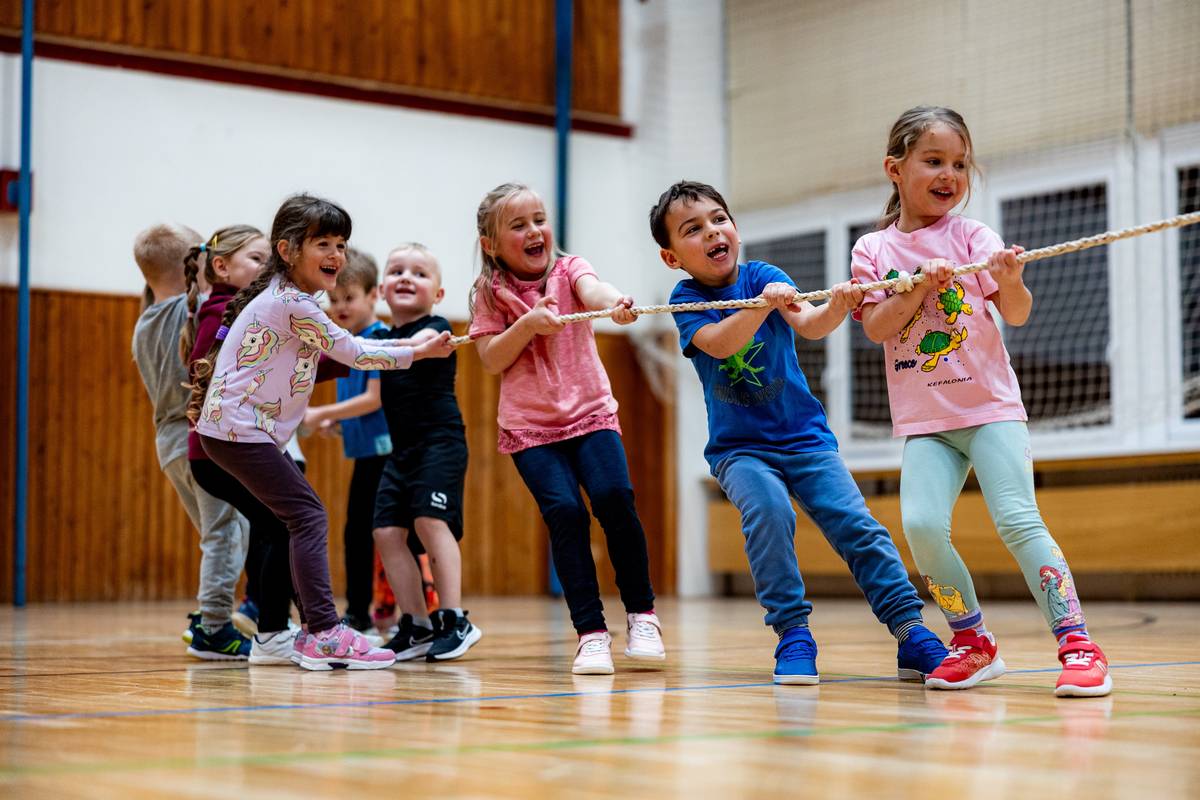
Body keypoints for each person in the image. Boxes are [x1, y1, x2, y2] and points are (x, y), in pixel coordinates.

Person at [852, 106, 1110, 696]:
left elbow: (1015, 312)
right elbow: (877, 327)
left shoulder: (973, 236)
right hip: (926, 422)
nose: (950, 175)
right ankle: (972, 640)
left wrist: (1011, 278)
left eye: (960, 164)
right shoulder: (872, 249)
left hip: (991, 409)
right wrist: (918, 284)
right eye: (934, 161)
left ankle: (1078, 643)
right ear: (895, 169)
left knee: (1018, 521)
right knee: (919, 526)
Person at [650, 179, 948, 685]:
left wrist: (837, 304)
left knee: (858, 527)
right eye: (692, 229)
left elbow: (809, 325)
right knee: (767, 512)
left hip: (805, 438)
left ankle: (910, 632)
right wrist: (762, 306)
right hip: (739, 451)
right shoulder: (686, 298)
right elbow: (720, 345)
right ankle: (793, 634)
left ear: (736, 228)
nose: (712, 232)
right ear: (672, 257)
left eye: (719, 220)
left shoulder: (764, 275)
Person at [190, 193, 454, 670]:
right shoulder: (294, 304)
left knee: (283, 521)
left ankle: (276, 634)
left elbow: (321, 360)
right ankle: (324, 633)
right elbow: (354, 353)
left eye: (342, 244)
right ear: (288, 251)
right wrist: (419, 350)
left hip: (228, 432)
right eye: (324, 244)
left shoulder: (285, 298)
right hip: (238, 432)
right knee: (308, 516)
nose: (337, 255)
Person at [469, 183, 665, 675]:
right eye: (518, 225)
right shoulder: (488, 293)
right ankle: (591, 633)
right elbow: (491, 358)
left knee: (615, 499)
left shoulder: (568, 268)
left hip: (590, 413)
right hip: (530, 427)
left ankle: (642, 616)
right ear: (491, 244)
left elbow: (593, 290)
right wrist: (527, 325)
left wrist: (616, 300)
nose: (535, 230)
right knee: (565, 514)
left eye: (539, 219)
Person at [131, 222, 251, 659]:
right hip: (197, 434)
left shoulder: (143, 323)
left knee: (230, 531)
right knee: (224, 532)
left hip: (168, 441)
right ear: (197, 262)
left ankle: (216, 612)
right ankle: (214, 627)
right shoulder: (194, 312)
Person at [368, 243, 479, 661]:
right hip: (403, 451)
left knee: (431, 521)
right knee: (385, 532)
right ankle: (415, 623)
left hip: (440, 443)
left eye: (419, 273)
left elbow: (418, 344)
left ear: (438, 293)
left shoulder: (435, 329)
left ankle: (453, 617)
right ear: (381, 289)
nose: (406, 278)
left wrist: (375, 349)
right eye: (397, 271)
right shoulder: (383, 338)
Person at [302, 248, 392, 635]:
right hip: (365, 451)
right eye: (334, 299)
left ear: (373, 295)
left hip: (387, 454)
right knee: (356, 531)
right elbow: (358, 406)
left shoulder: (380, 338)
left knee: (368, 533)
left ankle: (363, 612)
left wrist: (322, 414)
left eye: (349, 298)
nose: (339, 307)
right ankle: (362, 610)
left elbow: (374, 400)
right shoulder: (343, 341)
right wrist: (336, 425)